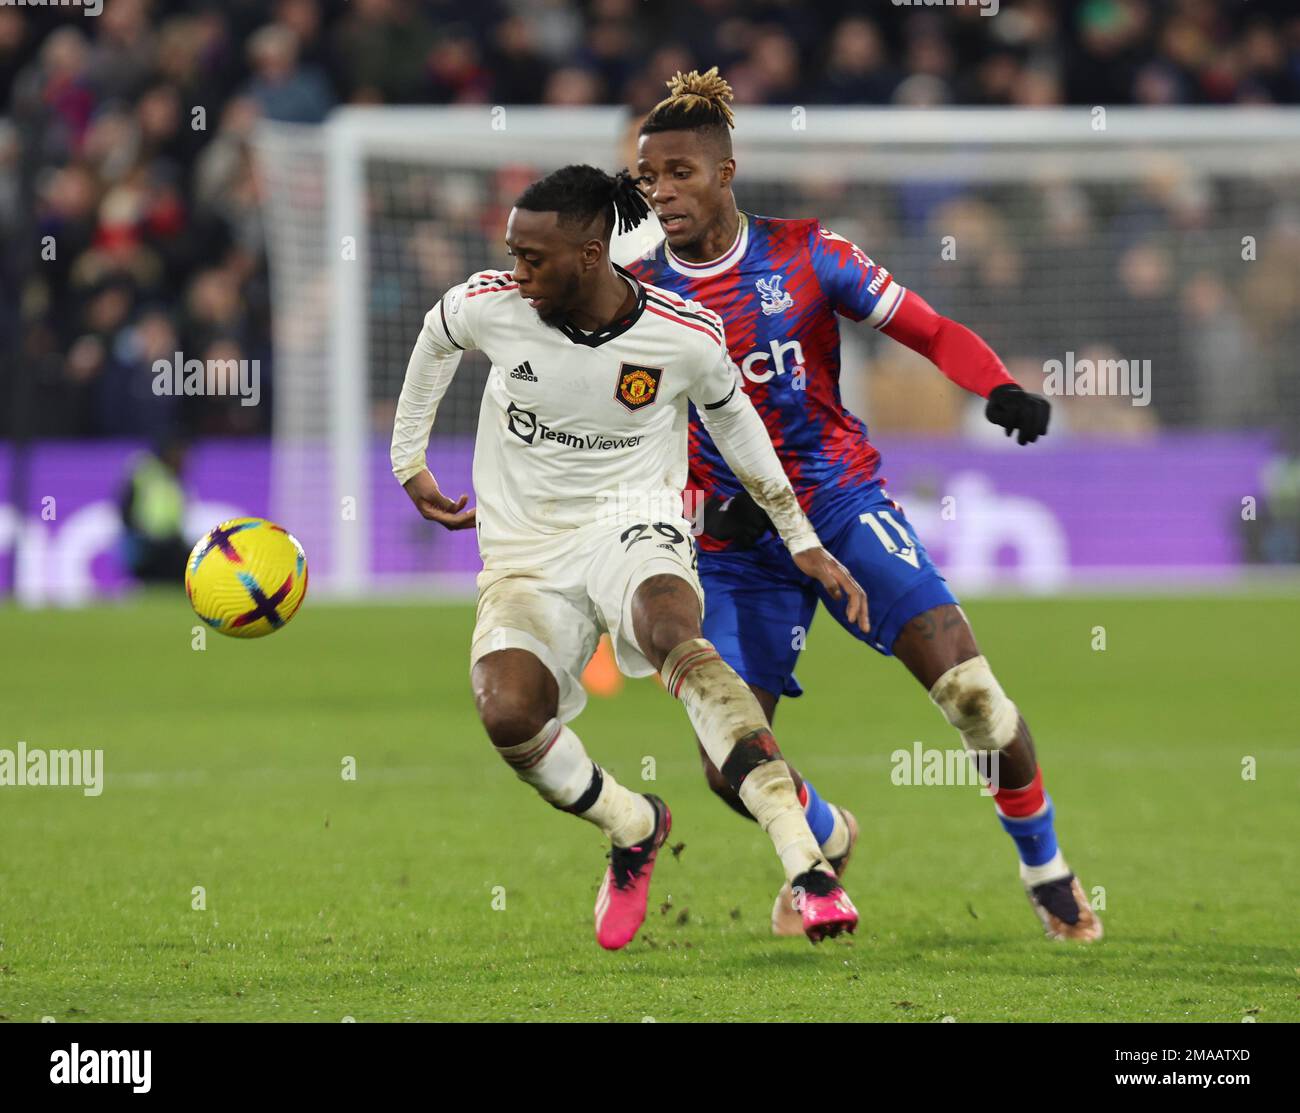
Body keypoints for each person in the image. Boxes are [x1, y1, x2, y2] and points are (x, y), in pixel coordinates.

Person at [626, 69, 1101, 942]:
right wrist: (690, 504)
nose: (661, 192)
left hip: (838, 503)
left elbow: (928, 329)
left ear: (725, 173)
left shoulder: (807, 254)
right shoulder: (639, 297)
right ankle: (826, 832)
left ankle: (1048, 868)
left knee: (972, 693)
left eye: (679, 173)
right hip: (735, 542)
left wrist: (994, 387)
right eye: (648, 178)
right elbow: (630, 433)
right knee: (728, 761)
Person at [390, 164, 868, 949]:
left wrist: (801, 539)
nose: (517, 273)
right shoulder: (493, 307)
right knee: (508, 713)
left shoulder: (680, 334)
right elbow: (435, 338)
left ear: (589, 253)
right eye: (513, 254)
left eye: (533, 258)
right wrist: (410, 460)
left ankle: (806, 865)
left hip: (634, 524)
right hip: (526, 551)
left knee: (674, 629)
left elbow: (738, 428)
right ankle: (633, 824)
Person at [119, 434, 191, 584]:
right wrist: (139, 530)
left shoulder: (176, 477)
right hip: (146, 541)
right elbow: (124, 507)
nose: (183, 458)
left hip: (170, 539)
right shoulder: (145, 473)